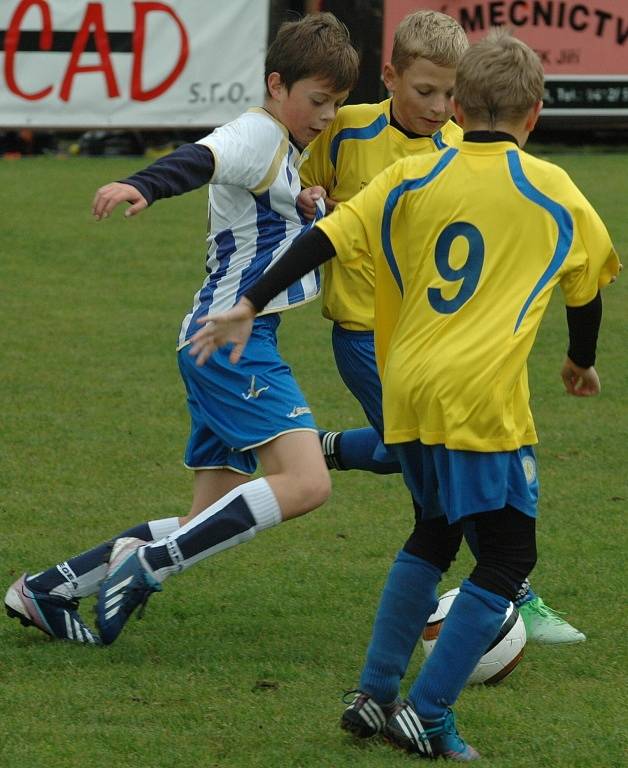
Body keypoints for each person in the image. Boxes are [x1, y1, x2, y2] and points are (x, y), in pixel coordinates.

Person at [185, 28, 620, 760]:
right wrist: (580, 362)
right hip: (480, 398)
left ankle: (373, 692)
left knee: (433, 531)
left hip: (406, 387)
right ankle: (428, 713)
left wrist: (251, 300)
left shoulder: (416, 173)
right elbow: (590, 283)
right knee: (509, 559)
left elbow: (328, 237)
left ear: (462, 102)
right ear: (535, 114)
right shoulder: (553, 188)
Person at [4, 12, 359, 645]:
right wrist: (142, 184)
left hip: (218, 339)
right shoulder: (257, 131)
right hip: (232, 344)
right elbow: (202, 158)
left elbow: (263, 206)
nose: (327, 115)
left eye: (336, 104)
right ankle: (142, 564)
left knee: (204, 518)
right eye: (318, 100)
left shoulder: (284, 148)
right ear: (277, 85)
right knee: (306, 482)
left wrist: (305, 203)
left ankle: (46, 589)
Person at [299, 9, 585, 645]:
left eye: (451, 94)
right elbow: (305, 179)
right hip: (364, 337)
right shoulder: (346, 130)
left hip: (441, 343)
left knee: (431, 462)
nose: (438, 106)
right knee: (444, 475)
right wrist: (308, 197)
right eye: (425, 90)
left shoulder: (463, 151)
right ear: (390, 77)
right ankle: (511, 592)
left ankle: (325, 450)